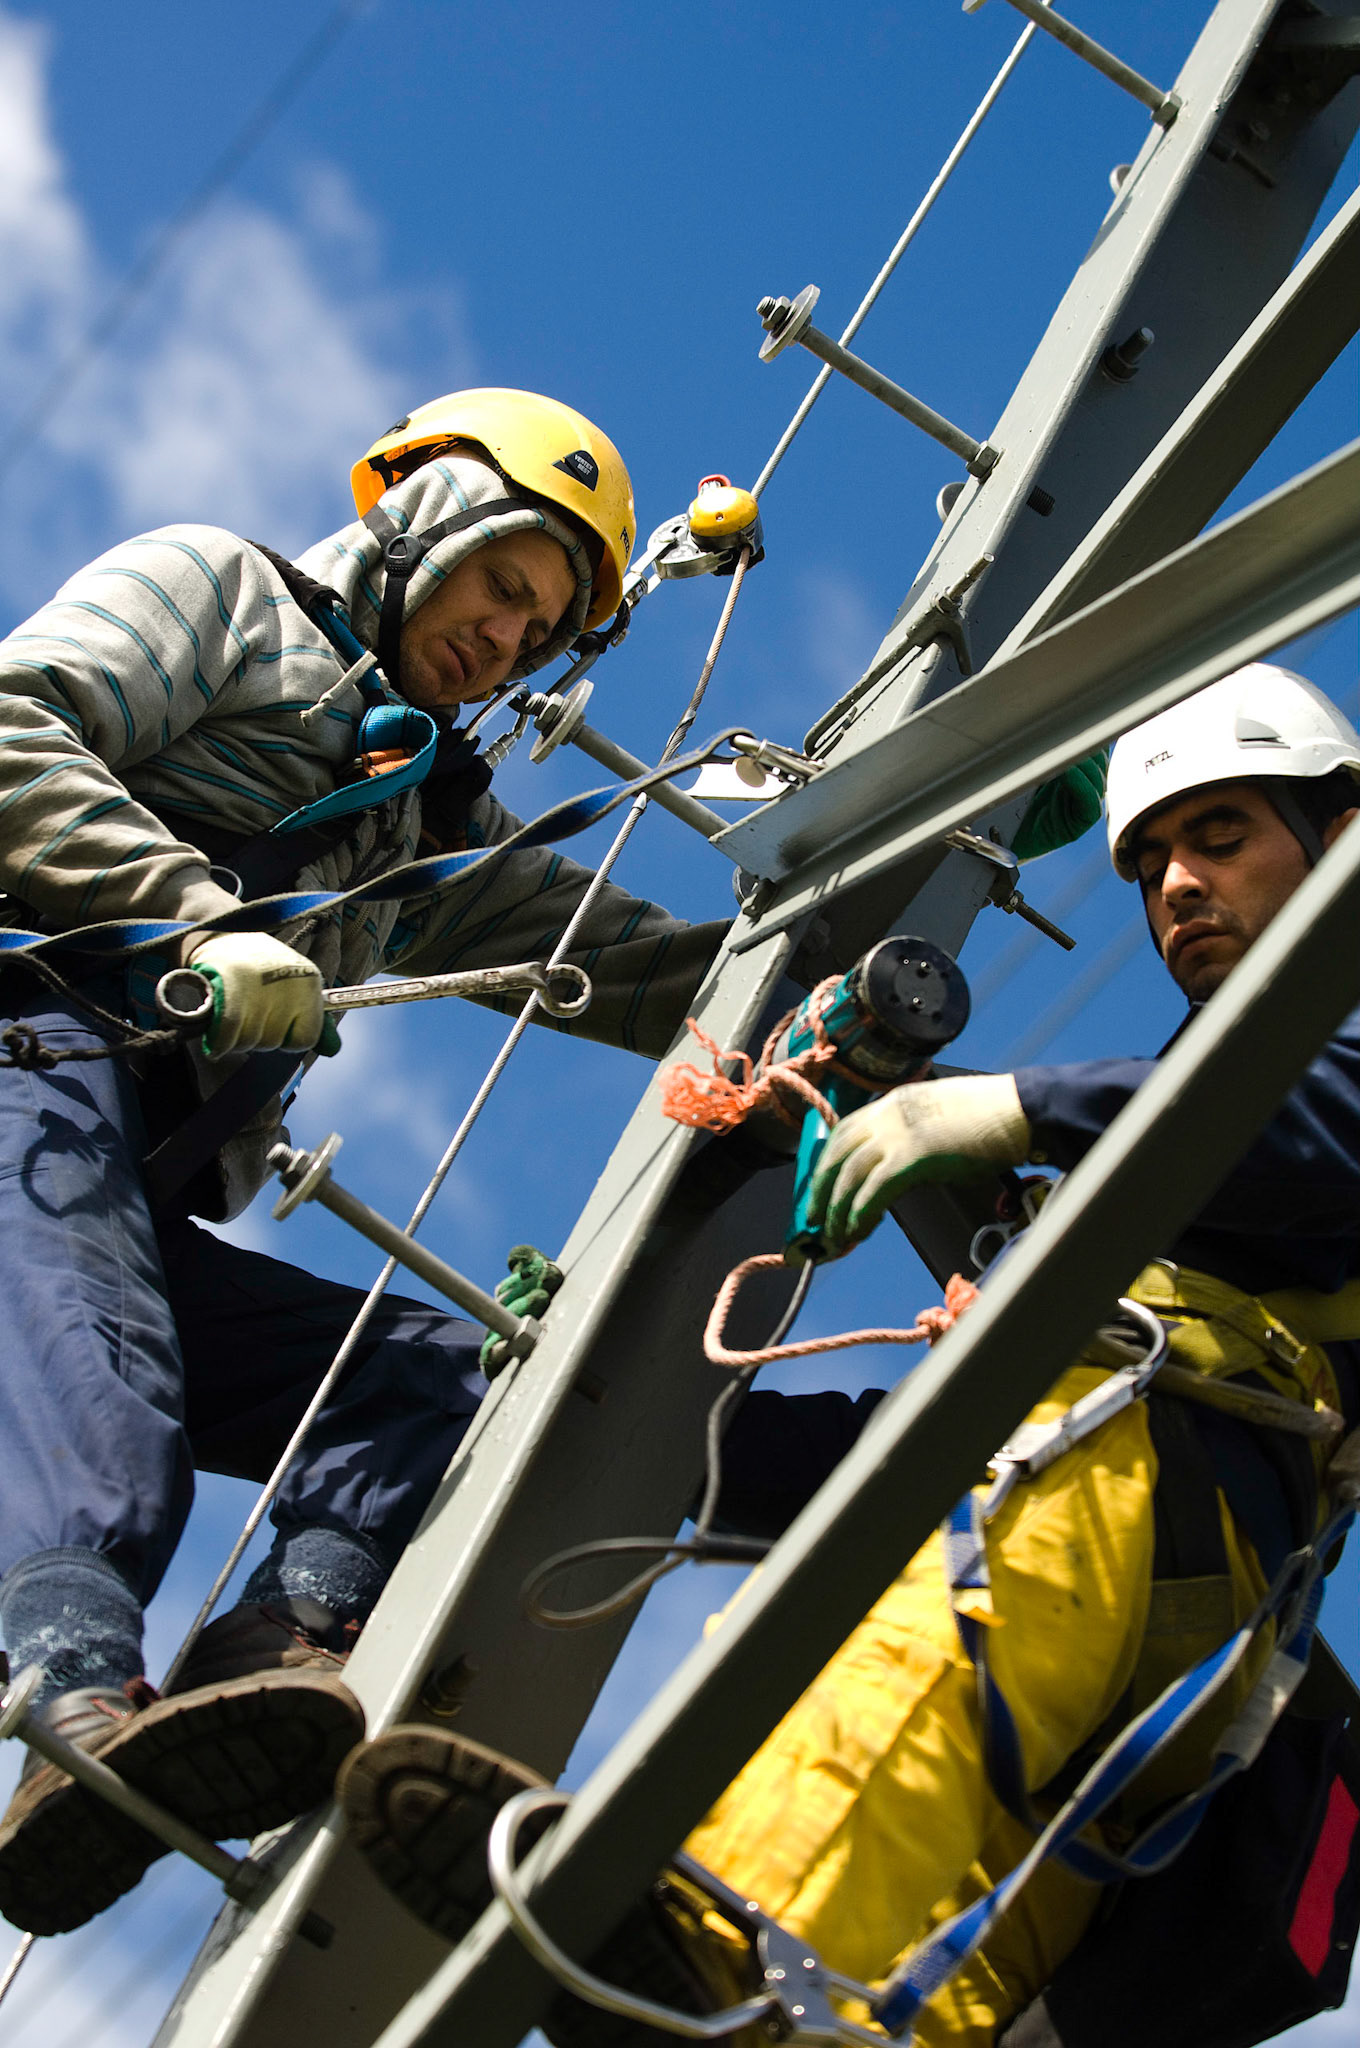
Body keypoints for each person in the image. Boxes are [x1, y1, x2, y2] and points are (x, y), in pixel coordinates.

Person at [333, 662, 1360, 2045]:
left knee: (931, 1656)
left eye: (1222, 835)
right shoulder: (1220, 1118)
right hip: (1192, 1581)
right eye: (1154, 860)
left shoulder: (1291, 1081)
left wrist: (1014, 1108)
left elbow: (1312, 1132)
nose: (1176, 885)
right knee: (957, 1924)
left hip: (1147, 1476)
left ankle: (721, 1942)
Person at [0, 389, 727, 1936]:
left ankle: (269, 1654)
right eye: (501, 586)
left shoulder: (420, 825)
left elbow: (627, 966)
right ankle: (69, 1682)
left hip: (105, 1171)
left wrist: (857, 919)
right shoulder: (222, 591)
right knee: (102, 1359)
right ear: (426, 519)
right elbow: (8, 721)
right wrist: (199, 913)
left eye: (538, 636)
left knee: (426, 1381)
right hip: (20, 1046)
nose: (504, 643)